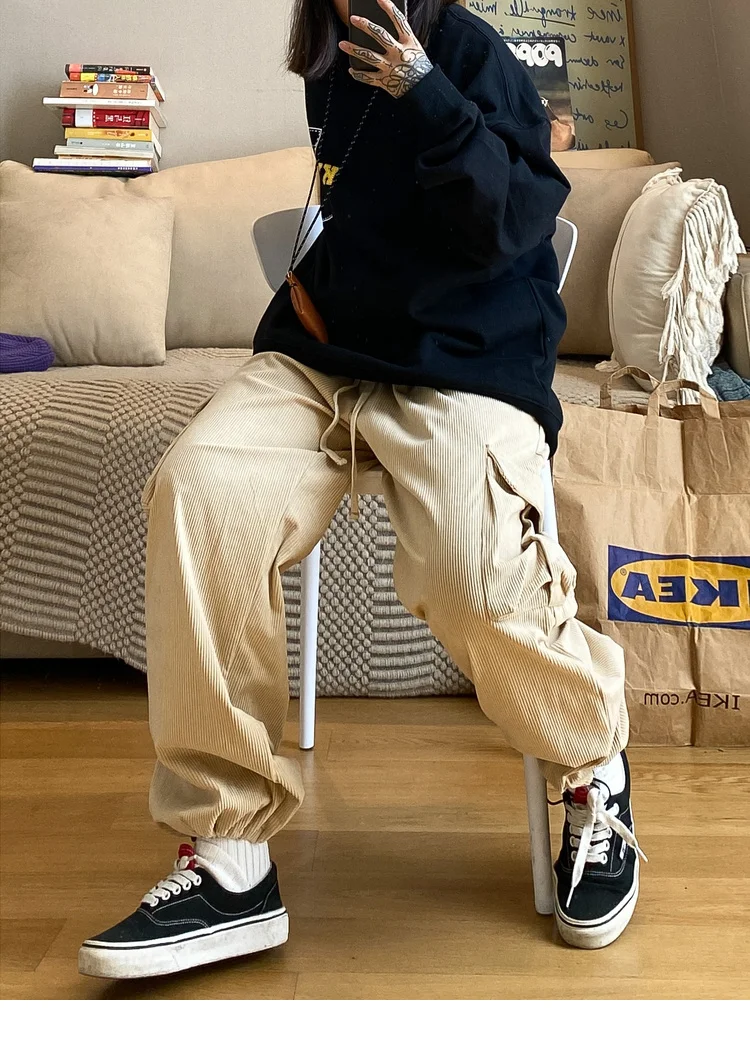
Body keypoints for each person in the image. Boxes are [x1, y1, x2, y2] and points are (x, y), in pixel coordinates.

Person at [78, 0, 646, 980]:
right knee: (198, 490)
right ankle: (231, 855)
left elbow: (514, 223)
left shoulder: (468, 52)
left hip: (467, 363)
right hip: (325, 357)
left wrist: (429, 94)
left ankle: (593, 762)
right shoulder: (329, 59)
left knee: (467, 571)